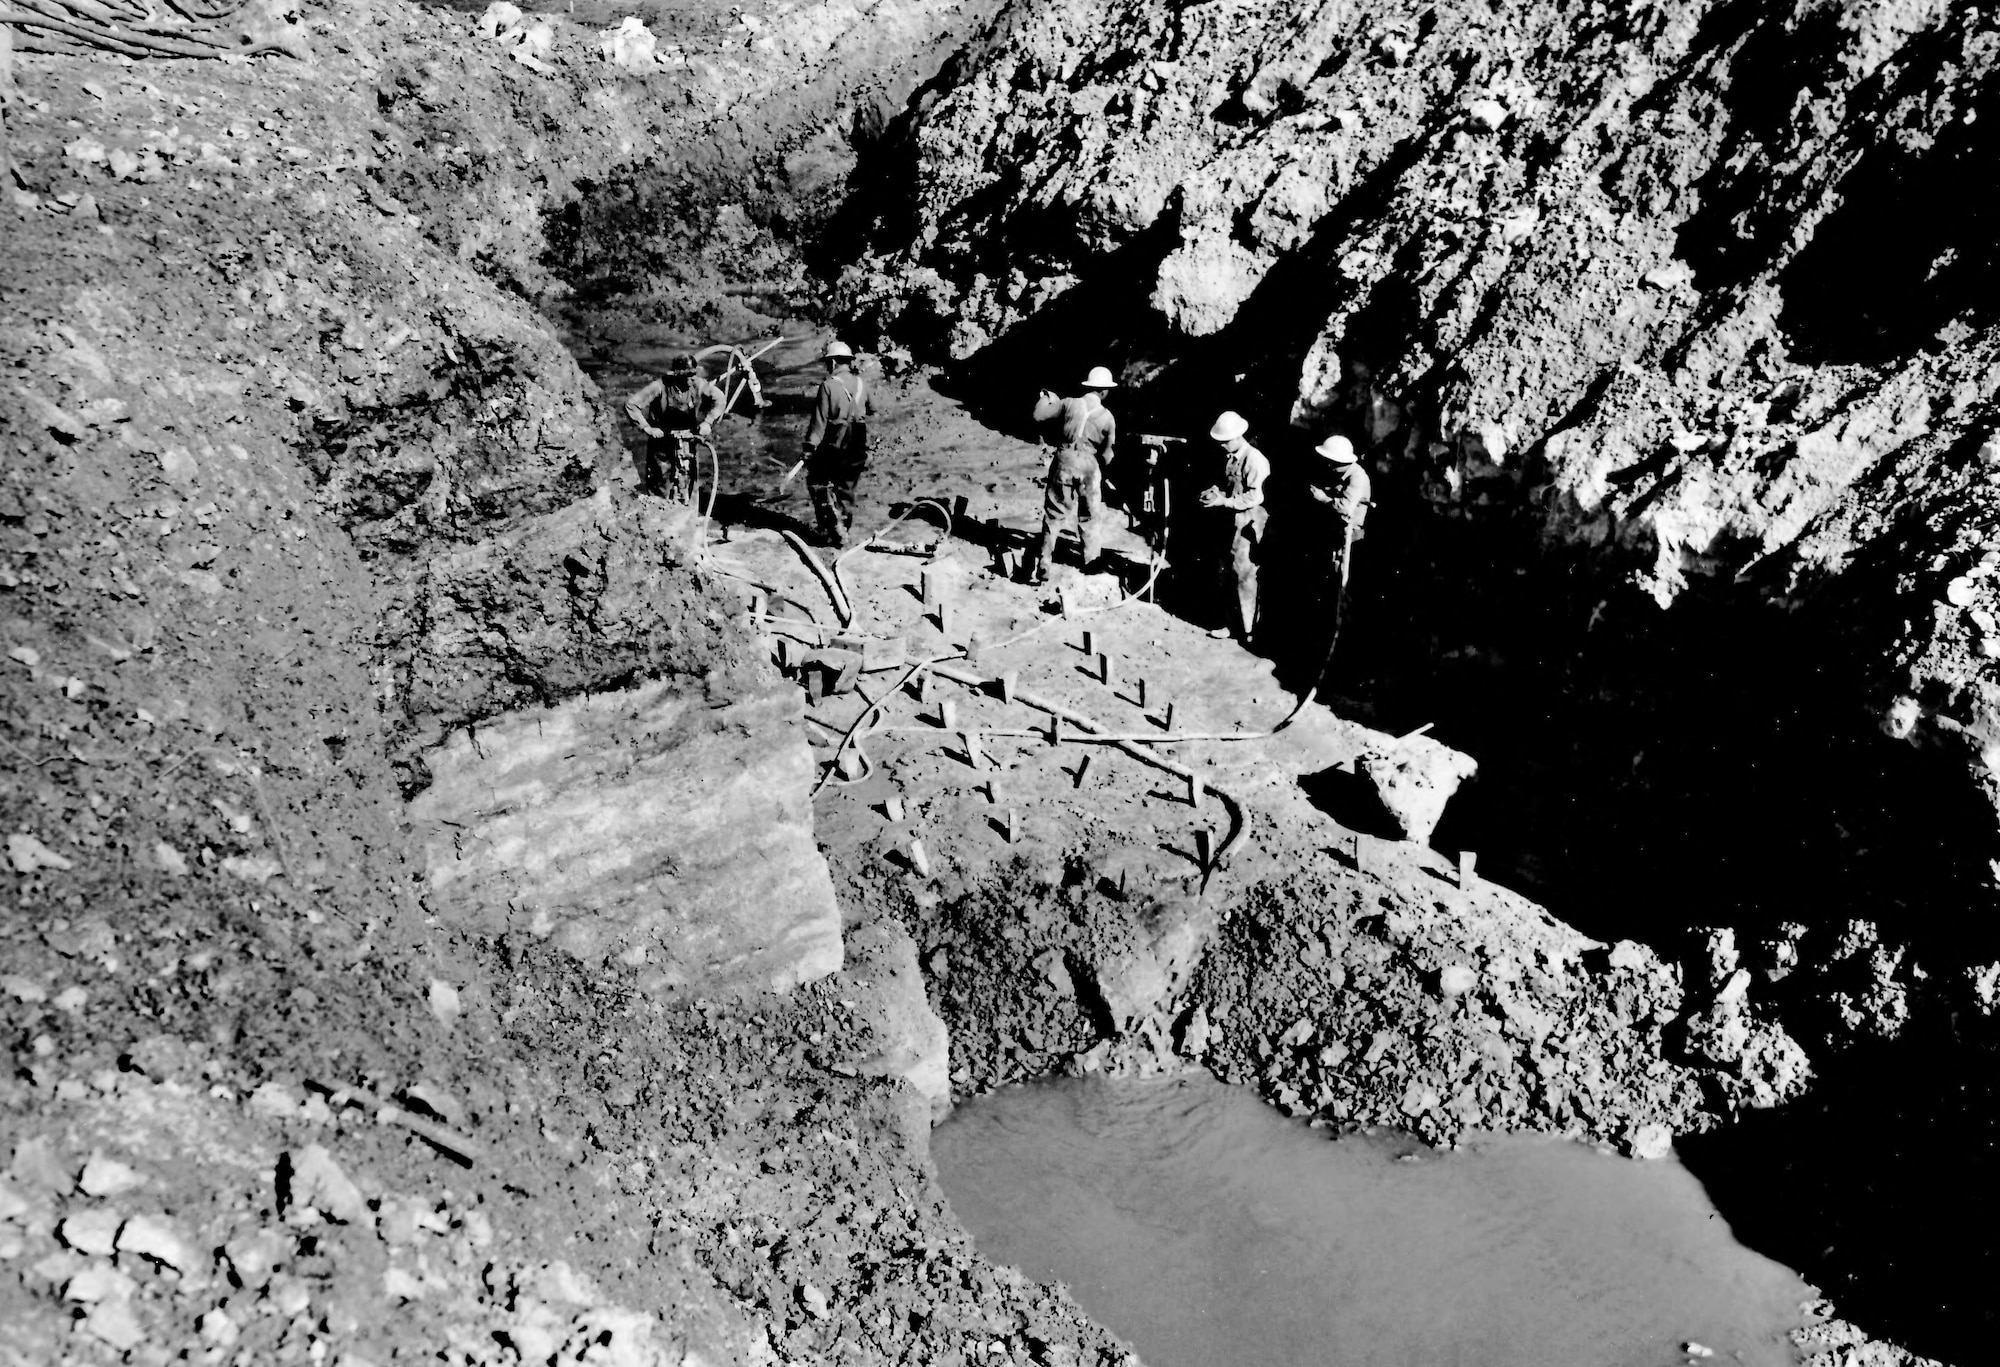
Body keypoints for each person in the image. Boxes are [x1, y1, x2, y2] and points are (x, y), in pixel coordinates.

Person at [1023, 364, 1118, 584]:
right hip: (1089, 465)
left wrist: (1047, 399)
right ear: (1104, 391)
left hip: (1064, 460)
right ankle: (1090, 561)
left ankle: (1045, 560)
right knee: (1090, 516)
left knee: (1054, 513)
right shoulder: (1108, 418)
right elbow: (1107, 455)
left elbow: (1038, 416)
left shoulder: (1068, 403)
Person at [1198, 410, 1269, 644]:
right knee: (1227, 573)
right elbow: (1228, 485)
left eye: (1225, 441)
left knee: (1244, 576)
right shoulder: (1230, 458)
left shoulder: (1254, 460)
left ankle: (1249, 631)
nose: (1221, 445)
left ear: (1239, 437)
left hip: (1248, 524)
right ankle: (1232, 624)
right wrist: (1215, 493)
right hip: (1231, 522)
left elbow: (1254, 497)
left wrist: (1224, 501)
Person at [803, 339, 875, 547]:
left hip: (836, 445)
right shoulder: (862, 383)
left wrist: (809, 449)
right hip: (857, 445)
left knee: (817, 481)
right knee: (847, 488)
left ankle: (829, 530)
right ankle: (845, 528)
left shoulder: (828, 386)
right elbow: (874, 409)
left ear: (833, 363)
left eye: (828, 363)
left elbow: (819, 424)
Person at [624, 355, 725, 501]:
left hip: (688, 441)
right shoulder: (659, 387)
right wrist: (647, 428)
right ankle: (661, 516)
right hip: (662, 442)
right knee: (661, 485)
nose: (692, 379)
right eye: (688, 376)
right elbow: (631, 404)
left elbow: (719, 399)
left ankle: (689, 515)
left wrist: (708, 422)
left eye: (693, 375)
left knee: (689, 483)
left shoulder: (699, 385)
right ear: (677, 374)